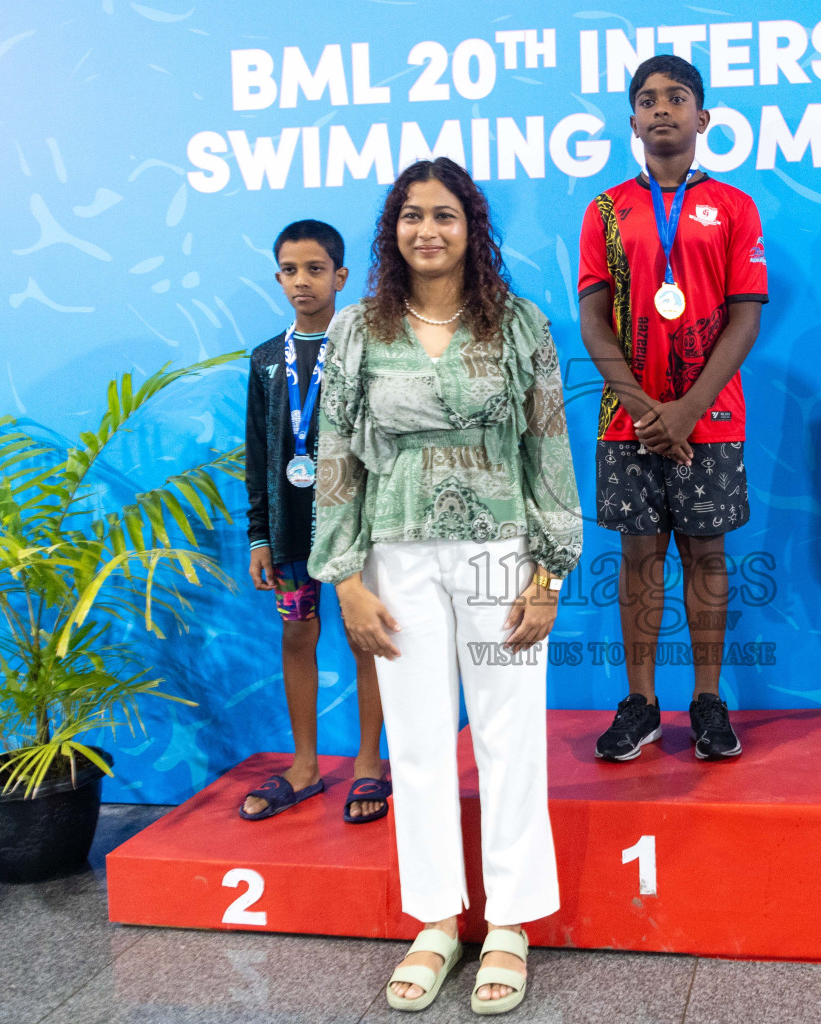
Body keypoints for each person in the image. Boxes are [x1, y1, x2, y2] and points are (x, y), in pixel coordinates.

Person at [309, 158, 581, 1014]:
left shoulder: (520, 324)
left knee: (509, 737)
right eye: (412, 216)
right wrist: (345, 578)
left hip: (500, 549)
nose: (428, 230)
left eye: (446, 216)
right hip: (397, 557)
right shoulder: (356, 332)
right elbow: (336, 459)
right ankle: (434, 921)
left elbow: (549, 448)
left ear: (474, 229)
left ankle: (509, 924)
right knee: (419, 745)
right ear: (393, 231)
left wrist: (549, 570)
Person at [577, 54, 767, 763]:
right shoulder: (604, 210)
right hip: (627, 420)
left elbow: (745, 320)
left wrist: (687, 408)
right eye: (648, 100)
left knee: (709, 557)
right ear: (632, 121)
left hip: (711, 418)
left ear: (702, 118)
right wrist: (648, 409)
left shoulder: (736, 207)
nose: (662, 109)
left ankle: (709, 700)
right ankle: (642, 702)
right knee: (637, 560)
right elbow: (594, 321)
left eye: (677, 98)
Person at [241, 219, 389, 825]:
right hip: (292, 529)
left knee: (366, 641)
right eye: (291, 270)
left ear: (341, 276)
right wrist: (259, 535)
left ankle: (369, 765)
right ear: (278, 277)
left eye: (316, 269)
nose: (303, 281)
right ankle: (305, 765)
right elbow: (257, 450)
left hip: (361, 524)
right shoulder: (266, 361)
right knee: (298, 636)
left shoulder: (368, 345)